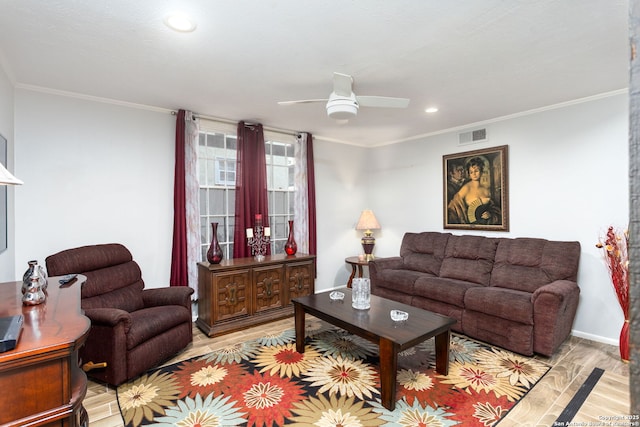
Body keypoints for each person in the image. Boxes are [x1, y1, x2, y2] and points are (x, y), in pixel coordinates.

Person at [447, 157, 501, 225]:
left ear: (481, 171)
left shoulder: (486, 190)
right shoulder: (466, 188)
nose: (474, 174)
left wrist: (490, 214)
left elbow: (494, 209)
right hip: (470, 225)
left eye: (476, 171)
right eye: (471, 172)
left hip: (485, 225)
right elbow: (453, 207)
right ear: (469, 174)